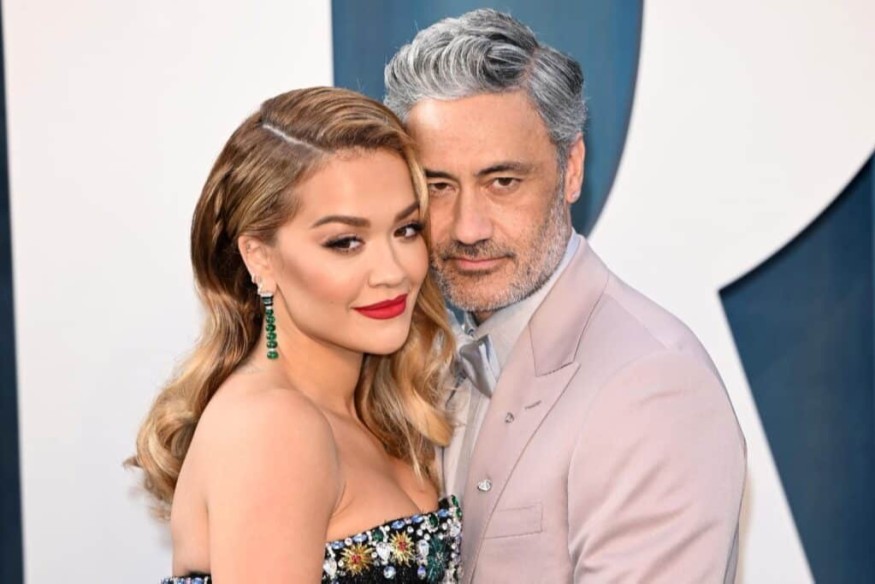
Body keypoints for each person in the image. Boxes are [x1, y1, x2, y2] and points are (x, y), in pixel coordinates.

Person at [385, 9, 746, 583]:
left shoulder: (653, 385)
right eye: (439, 186)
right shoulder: (417, 357)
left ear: (571, 168)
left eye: (503, 182)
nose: (468, 228)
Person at [128, 87, 462, 583]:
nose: (393, 271)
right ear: (260, 257)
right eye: (345, 242)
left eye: (406, 229)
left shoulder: (375, 412)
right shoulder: (275, 427)